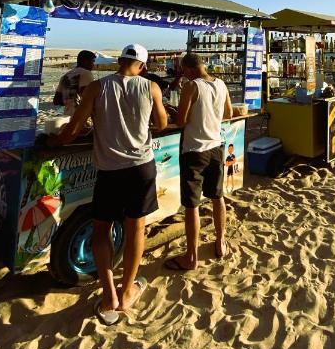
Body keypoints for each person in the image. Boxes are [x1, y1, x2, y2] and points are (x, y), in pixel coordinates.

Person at [56, 44, 167, 325]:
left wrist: (55, 141)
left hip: (110, 171)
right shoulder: (151, 87)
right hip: (142, 168)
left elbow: (74, 128)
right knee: (135, 229)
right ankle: (127, 291)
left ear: (119, 61)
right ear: (142, 65)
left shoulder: (97, 87)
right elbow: (163, 123)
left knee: (101, 230)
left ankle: (109, 296)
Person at [165, 52, 233, 271]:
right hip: (216, 147)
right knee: (217, 197)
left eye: (184, 72)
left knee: (192, 205)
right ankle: (221, 242)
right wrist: (208, 117)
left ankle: (191, 256)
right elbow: (229, 113)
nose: (183, 76)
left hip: (194, 150)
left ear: (190, 69)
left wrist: (176, 113)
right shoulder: (221, 84)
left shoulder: (192, 86)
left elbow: (181, 121)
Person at [54, 50, 97, 115]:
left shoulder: (65, 76)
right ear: (86, 61)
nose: (93, 65)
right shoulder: (86, 73)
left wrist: (69, 100)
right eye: (93, 61)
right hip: (81, 115)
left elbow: (56, 101)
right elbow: (88, 97)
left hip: (67, 115)